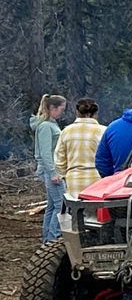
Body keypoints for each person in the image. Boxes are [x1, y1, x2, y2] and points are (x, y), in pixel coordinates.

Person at [31, 94, 67, 244]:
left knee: (52, 206)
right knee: (61, 205)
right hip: (51, 172)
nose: (62, 112)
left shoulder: (50, 124)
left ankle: (47, 239)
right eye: (61, 109)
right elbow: (45, 152)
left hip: (51, 170)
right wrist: (53, 173)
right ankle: (53, 240)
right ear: (52, 108)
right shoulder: (45, 126)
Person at [54, 99, 106, 199]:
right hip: (98, 179)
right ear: (96, 113)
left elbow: (59, 158)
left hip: (74, 180)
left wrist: (64, 174)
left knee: (76, 211)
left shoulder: (66, 131)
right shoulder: (104, 131)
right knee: (97, 212)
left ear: (77, 112)